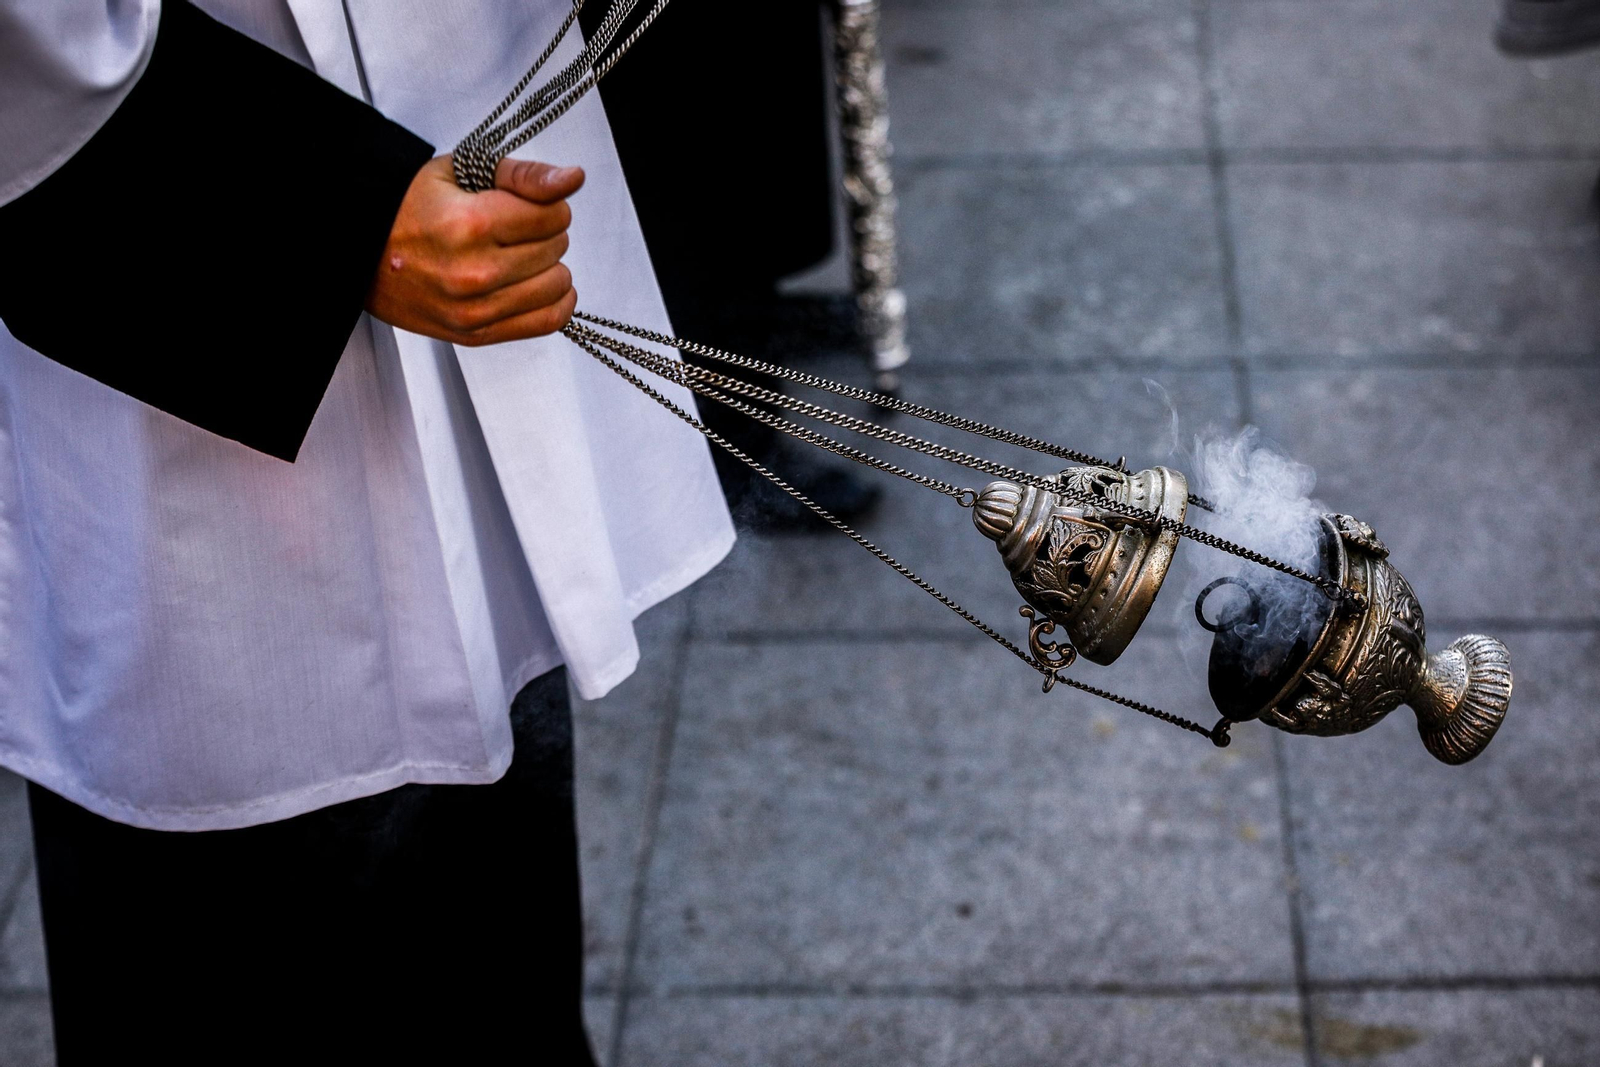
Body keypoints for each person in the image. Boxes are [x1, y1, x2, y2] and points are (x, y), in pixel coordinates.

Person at [0, 1, 733, 1062]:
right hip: (189, 266)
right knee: (238, 938)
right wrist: (323, 213)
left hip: (475, 138)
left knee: (488, 887)